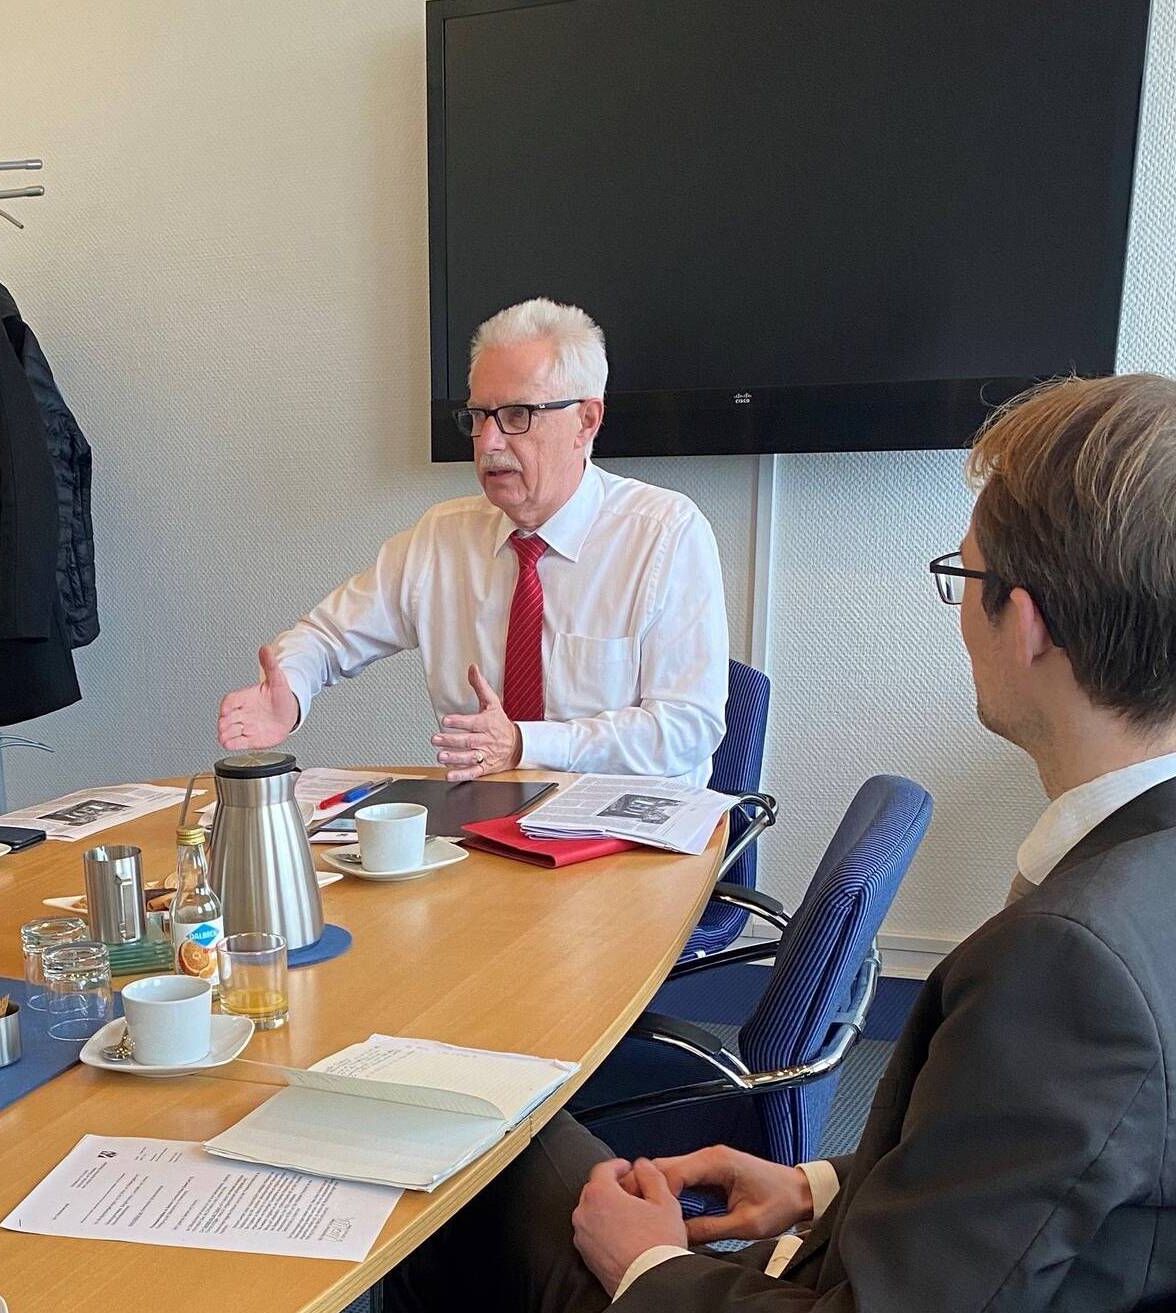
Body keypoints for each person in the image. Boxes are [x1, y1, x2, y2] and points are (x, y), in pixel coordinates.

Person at [383, 373, 1176, 1311]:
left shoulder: (1064, 967)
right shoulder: (1130, 885)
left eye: (961, 576)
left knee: (445, 1129)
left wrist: (647, 1267)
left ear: (1028, 621)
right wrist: (820, 1185)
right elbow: (1053, 1182)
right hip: (873, 1247)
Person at [217, 299, 727, 785]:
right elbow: (327, 637)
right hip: (488, 832)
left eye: (517, 416)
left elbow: (687, 728)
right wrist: (293, 690)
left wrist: (527, 745)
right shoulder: (443, 538)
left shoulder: (665, 534)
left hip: (631, 842)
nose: (489, 442)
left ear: (586, 421)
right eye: (479, 417)